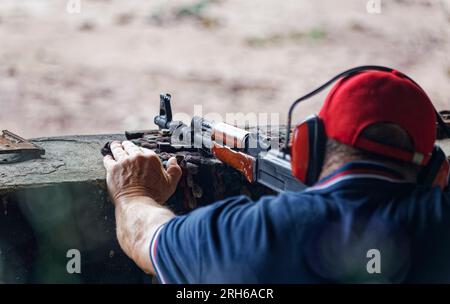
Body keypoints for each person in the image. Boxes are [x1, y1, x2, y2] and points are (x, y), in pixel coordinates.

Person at [103, 69, 450, 283]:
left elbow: (147, 239)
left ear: (307, 147)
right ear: (437, 172)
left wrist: (131, 192)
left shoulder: (248, 235)